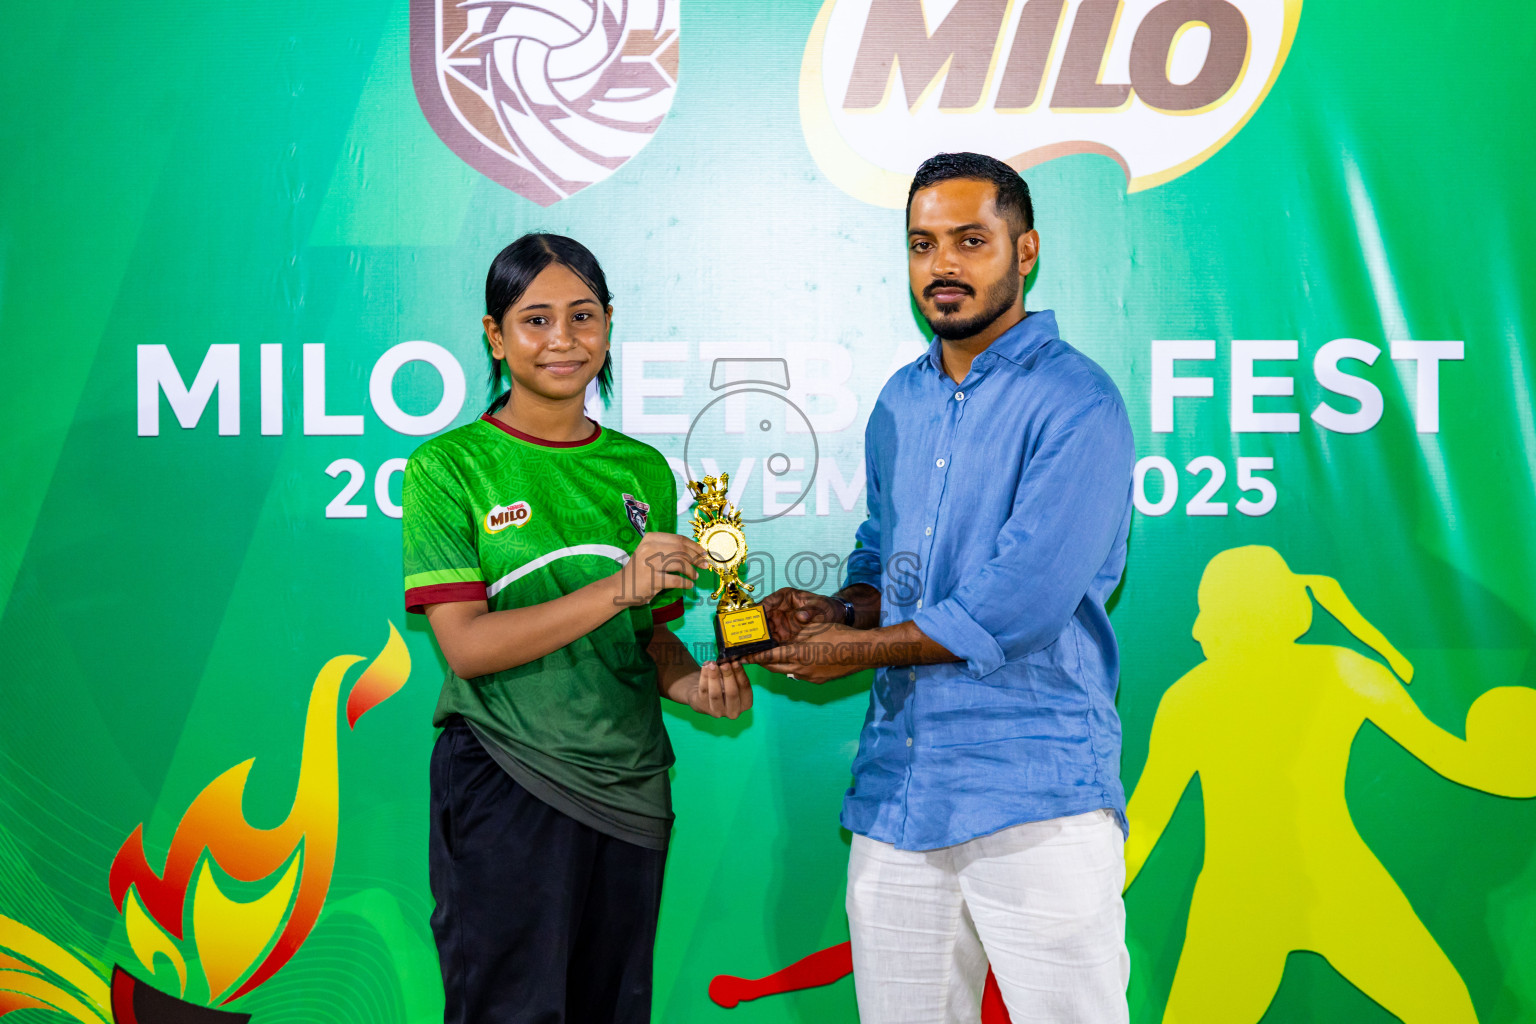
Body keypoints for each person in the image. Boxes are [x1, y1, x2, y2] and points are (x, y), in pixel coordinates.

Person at [750, 152, 1135, 1023]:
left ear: (1025, 249)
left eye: (971, 240)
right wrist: (835, 609)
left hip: (1036, 789)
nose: (944, 265)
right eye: (923, 244)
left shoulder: (1079, 401)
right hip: (900, 791)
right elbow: (891, 569)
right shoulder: (900, 403)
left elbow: (1019, 603)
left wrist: (849, 649)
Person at [401, 232, 752, 1024]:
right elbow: (467, 645)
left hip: (630, 786)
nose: (563, 340)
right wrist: (617, 589)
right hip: (506, 775)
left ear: (609, 325)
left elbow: (648, 639)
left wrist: (695, 683)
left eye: (583, 316)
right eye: (535, 320)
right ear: (495, 335)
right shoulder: (448, 467)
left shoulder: (642, 471)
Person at [1125, 545, 1536, 1024]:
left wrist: (1085, 900)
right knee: (1446, 1010)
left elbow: (1146, 820)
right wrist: (1509, 747)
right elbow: (1458, 762)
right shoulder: (1343, 669)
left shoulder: (1186, 698)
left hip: (1239, 894)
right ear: (1287, 603)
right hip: (1335, 878)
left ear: (1210, 613)